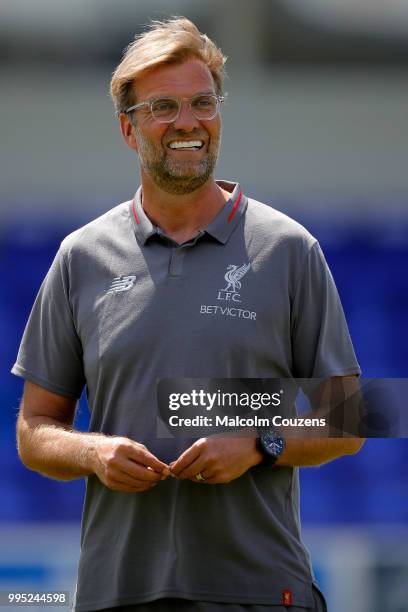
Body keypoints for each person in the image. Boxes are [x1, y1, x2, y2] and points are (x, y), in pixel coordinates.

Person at [13, 17, 364, 612]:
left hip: (259, 591)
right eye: (163, 107)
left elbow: (351, 418)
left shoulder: (288, 249)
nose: (188, 123)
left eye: (203, 102)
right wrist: (94, 453)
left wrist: (260, 442)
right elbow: (34, 431)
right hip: (118, 591)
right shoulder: (82, 257)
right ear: (129, 129)